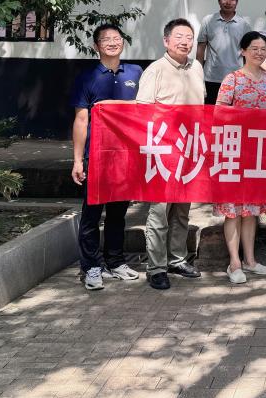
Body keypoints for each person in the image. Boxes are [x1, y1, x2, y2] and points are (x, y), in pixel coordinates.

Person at [70, 24, 143, 291]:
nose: (112, 42)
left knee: (118, 213)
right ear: (96, 46)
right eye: (106, 39)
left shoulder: (135, 72)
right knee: (92, 213)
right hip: (97, 155)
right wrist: (78, 160)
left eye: (117, 38)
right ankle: (91, 267)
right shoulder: (87, 77)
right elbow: (81, 120)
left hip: (126, 155)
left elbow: (145, 110)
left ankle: (115, 261)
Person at [137, 18, 206, 290]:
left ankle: (177, 259)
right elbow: (142, 112)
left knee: (182, 210)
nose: (185, 42)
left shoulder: (197, 67)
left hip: (190, 150)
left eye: (189, 37)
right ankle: (156, 267)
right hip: (163, 151)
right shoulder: (155, 70)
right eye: (179, 37)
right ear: (166, 41)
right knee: (159, 211)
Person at [214, 31, 266, 284]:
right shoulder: (233, 79)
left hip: (259, 153)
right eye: (254, 48)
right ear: (243, 51)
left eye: (263, 49)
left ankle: (250, 260)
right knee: (233, 210)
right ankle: (234, 263)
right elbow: (219, 113)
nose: (259, 53)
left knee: (251, 209)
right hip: (234, 150)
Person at [197, 0, 251, 104]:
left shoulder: (244, 25)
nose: (228, 2)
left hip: (236, 79)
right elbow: (200, 49)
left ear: (237, 2)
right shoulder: (208, 20)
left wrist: (247, 78)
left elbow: (247, 54)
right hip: (210, 78)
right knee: (211, 112)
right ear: (219, 1)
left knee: (233, 114)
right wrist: (198, 74)